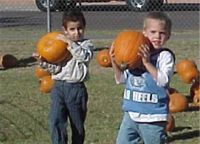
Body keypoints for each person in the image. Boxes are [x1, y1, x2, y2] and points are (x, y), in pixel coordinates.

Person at [110, 11, 175, 144]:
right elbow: (121, 79)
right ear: (144, 33)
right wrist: (114, 60)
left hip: (153, 117)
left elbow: (163, 81)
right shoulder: (134, 53)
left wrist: (146, 63)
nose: (157, 36)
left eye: (162, 33)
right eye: (153, 32)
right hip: (131, 115)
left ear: (168, 35)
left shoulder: (164, 56)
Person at [33, 9, 94, 144]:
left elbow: (84, 57)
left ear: (84, 28)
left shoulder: (86, 45)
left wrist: (70, 44)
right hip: (58, 88)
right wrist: (43, 62)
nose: (76, 32)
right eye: (72, 29)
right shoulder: (60, 46)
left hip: (76, 89)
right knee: (56, 120)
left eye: (80, 29)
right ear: (65, 30)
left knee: (77, 124)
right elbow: (57, 69)